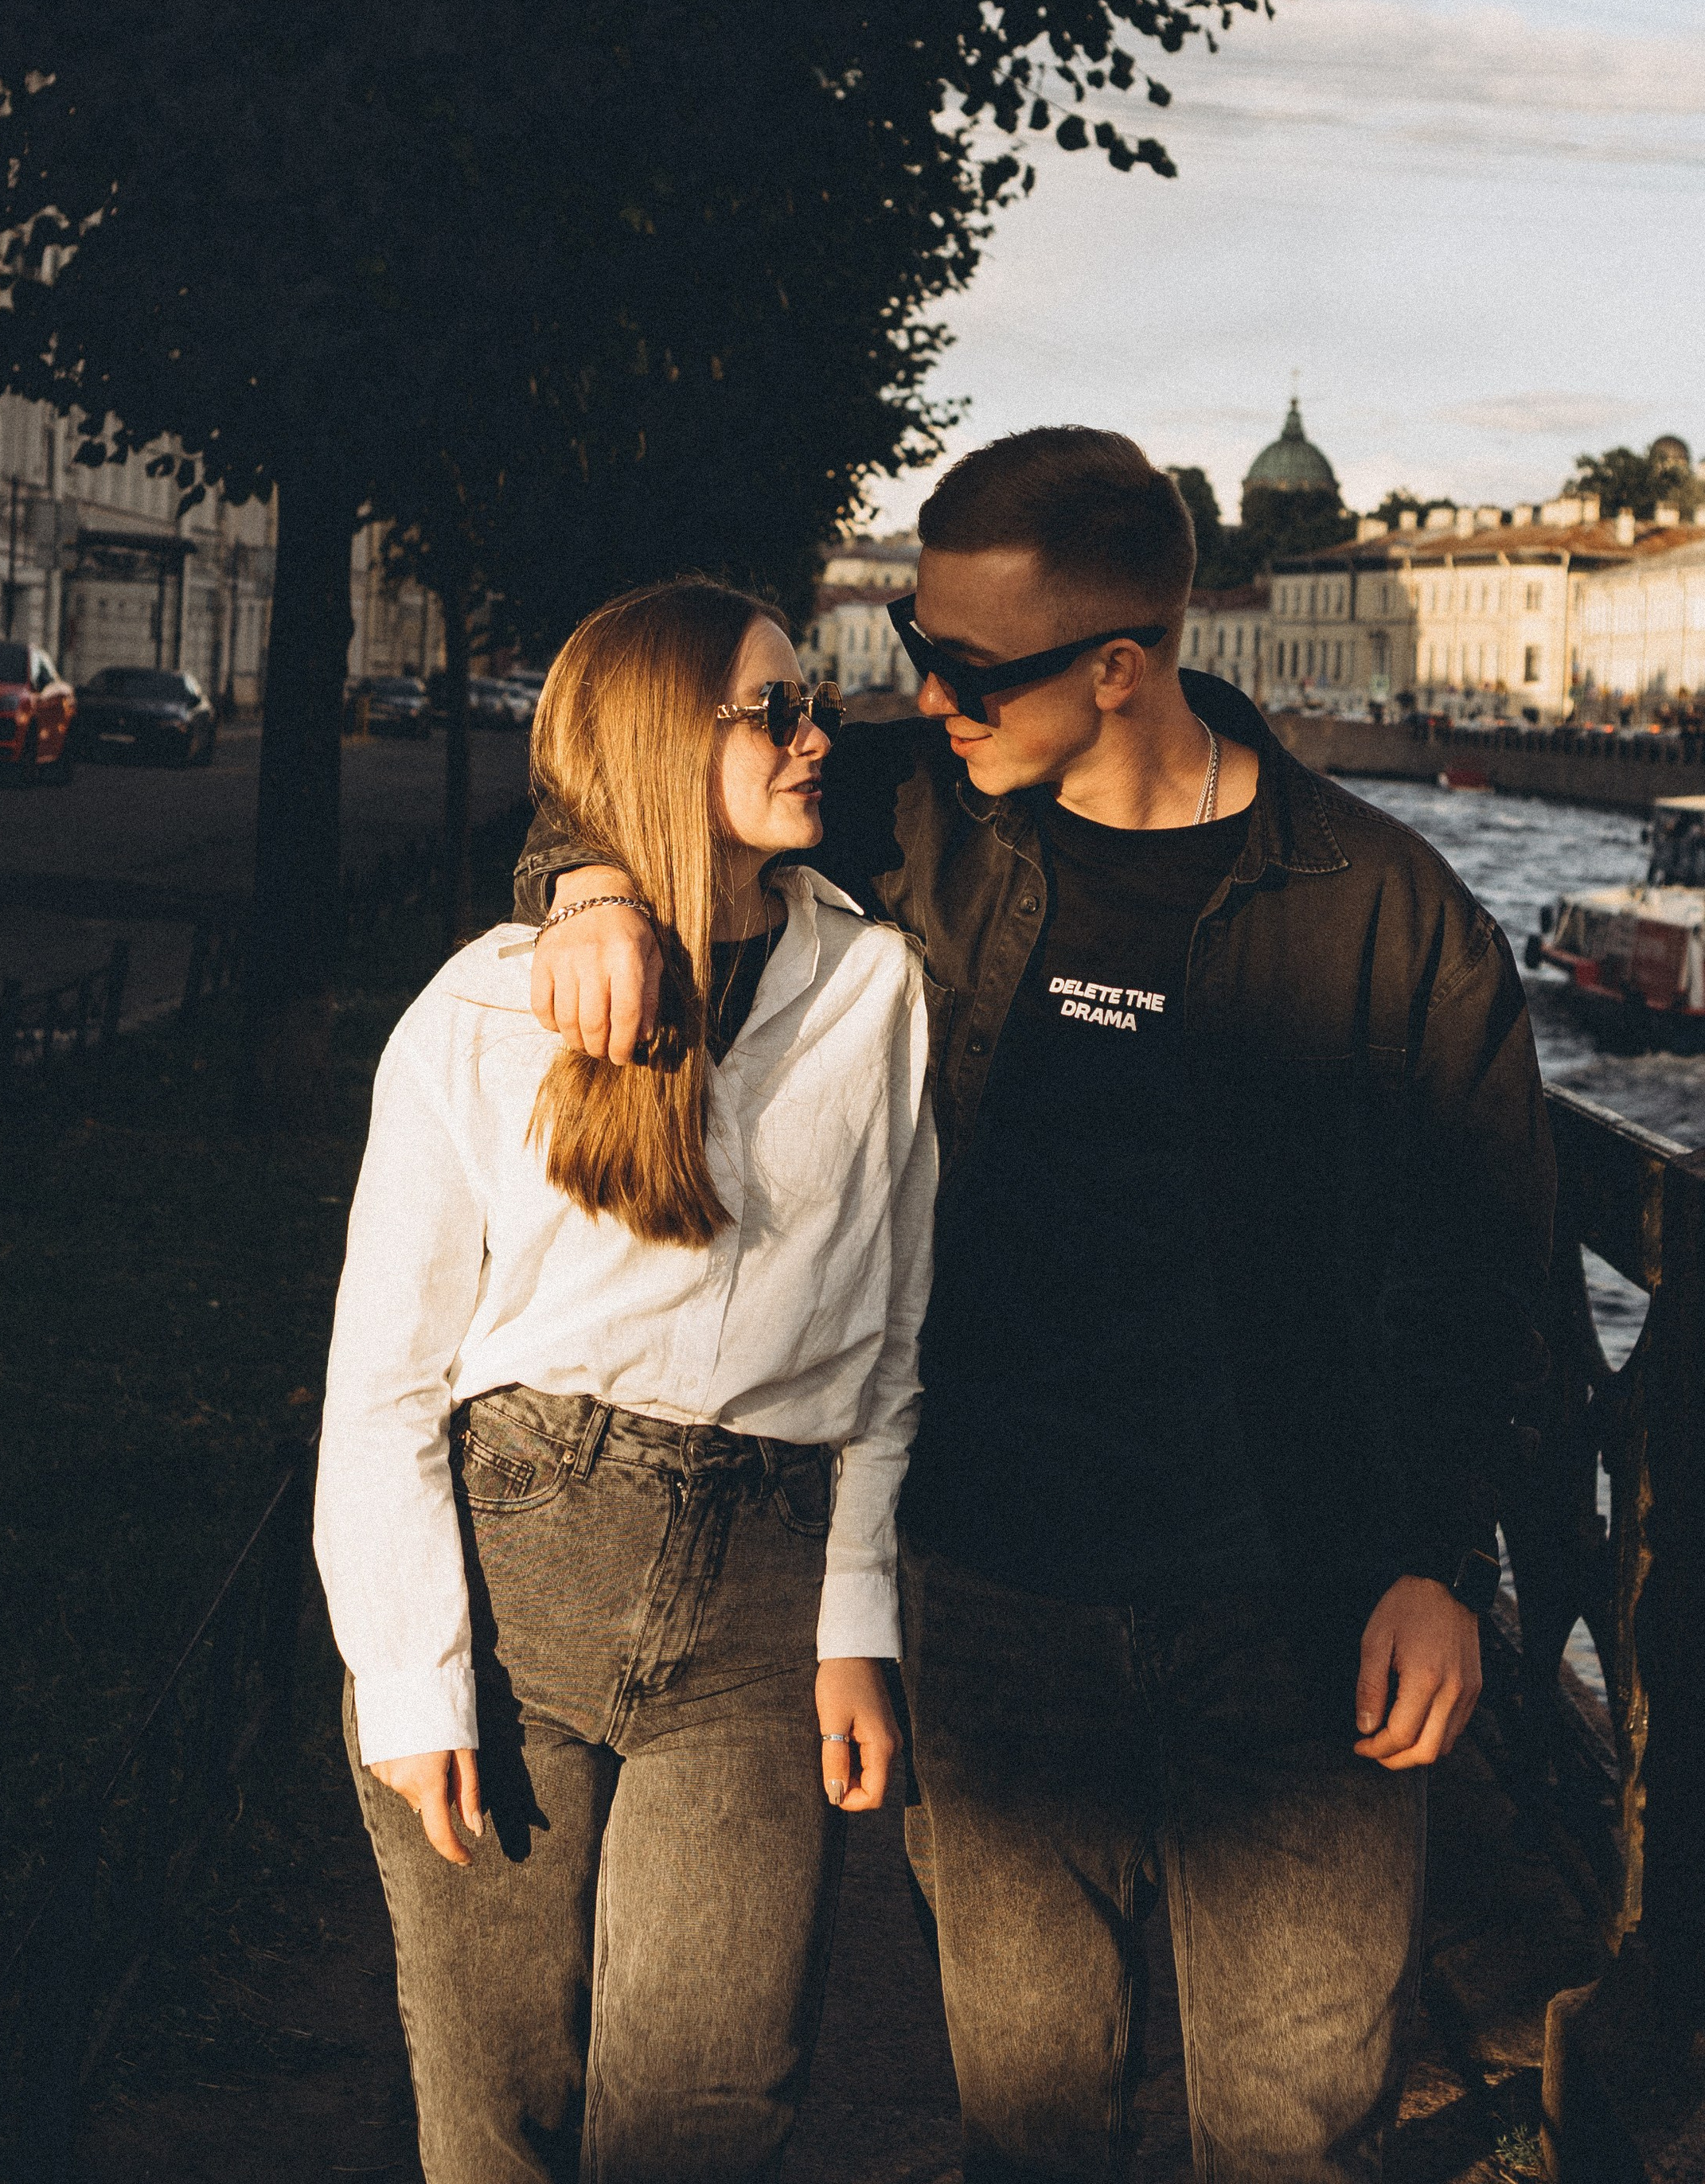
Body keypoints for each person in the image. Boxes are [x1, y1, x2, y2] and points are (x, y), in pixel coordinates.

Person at [519, 429, 1555, 2184]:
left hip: (1293, 1621)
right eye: (916, 650)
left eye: (965, 667)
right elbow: (619, 776)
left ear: (1120, 667)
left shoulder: (1385, 910)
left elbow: (1486, 1268)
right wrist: (590, 887)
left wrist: (1437, 1566)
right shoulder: (921, 824)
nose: (921, 698)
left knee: (1293, 2134)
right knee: (1026, 2127)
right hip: (993, 1593)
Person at [314, 576, 938, 2184]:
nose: (820, 739)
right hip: (512, 1574)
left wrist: (855, 1621)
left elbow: (885, 1340)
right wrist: (407, 1678)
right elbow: (381, 1386)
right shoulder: (477, 1009)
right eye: (775, 711)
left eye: (815, 705)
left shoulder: (872, 993)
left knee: (706, 2118)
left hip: (757, 1609)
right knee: (494, 2118)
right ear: (669, 742)